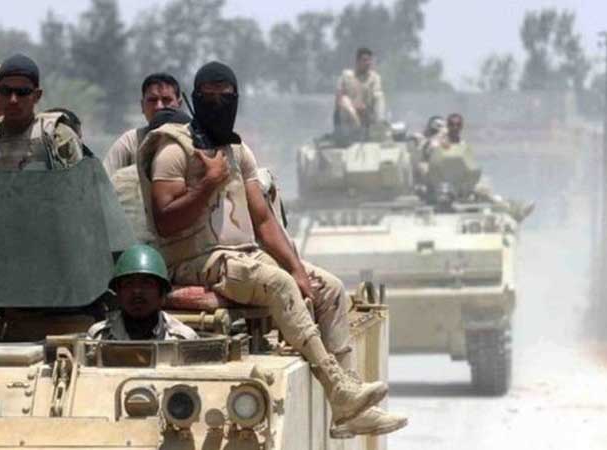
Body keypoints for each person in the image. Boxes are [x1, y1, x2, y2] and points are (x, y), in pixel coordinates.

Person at [137, 61, 407, 438]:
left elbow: (264, 220)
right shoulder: (174, 149)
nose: (218, 104)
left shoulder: (236, 151)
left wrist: (297, 268)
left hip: (242, 256)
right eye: (209, 97)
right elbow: (165, 220)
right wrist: (208, 183)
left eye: (226, 97)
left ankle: (350, 406)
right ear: (195, 99)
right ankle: (337, 387)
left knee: (329, 288)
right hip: (194, 261)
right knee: (279, 284)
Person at [0, 54, 83, 171]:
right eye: (6, 91)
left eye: (22, 92)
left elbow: (80, 182)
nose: (13, 100)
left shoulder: (57, 136)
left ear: (37, 96)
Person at [88, 244, 198, 341]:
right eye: (128, 284)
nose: (137, 291)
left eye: (147, 283)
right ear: (118, 294)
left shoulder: (183, 340)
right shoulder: (98, 339)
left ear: (162, 294)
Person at [103, 73, 183, 176]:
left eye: (166, 100)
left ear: (179, 104)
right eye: (152, 100)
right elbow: (103, 180)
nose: (159, 106)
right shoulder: (131, 141)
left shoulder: (192, 139)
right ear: (142, 106)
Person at [335, 47, 385, 139]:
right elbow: (339, 98)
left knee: (379, 96)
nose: (368, 63)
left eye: (369, 60)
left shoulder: (374, 78)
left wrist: (365, 108)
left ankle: (379, 126)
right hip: (348, 117)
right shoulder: (346, 76)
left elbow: (376, 95)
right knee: (344, 100)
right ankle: (350, 133)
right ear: (357, 61)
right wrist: (353, 107)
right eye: (365, 60)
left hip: (367, 115)